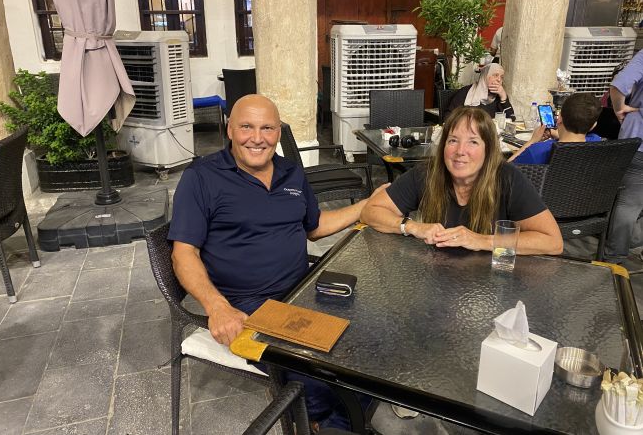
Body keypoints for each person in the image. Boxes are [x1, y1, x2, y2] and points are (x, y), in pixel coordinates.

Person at [168, 94, 380, 430]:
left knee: (380, 347)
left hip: (304, 290)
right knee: (315, 382)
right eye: (246, 127)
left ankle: (336, 425)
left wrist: (367, 205)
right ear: (229, 130)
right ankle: (336, 423)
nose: (257, 137)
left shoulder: (292, 174)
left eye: (267, 128)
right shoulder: (202, 179)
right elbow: (183, 254)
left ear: (278, 133)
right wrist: (217, 307)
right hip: (249, 305)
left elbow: (315, 227)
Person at [361, 106, 563, 255]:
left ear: (489, 150)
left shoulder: (507, 178)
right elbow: (371, 211)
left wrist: (481, 240)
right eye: (453, 140)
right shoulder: (427, 173)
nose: (460, 151)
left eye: (473, 142)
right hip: (437, 279)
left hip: (489, 286)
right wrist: (413, 227)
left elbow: (552, 242)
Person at [604, 51, 643, 266]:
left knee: (628, 204)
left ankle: (615, 258)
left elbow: (619, 84)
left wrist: (620, 108)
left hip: (638, 140)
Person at [508, 92, 602, 165]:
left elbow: (505, 171)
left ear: (559, 119)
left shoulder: (538, 151)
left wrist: (532, 141)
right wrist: (557, 134)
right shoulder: (597, 143)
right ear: (593, 126)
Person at [446, 63, 514, 122]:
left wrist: (504, 97)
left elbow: (511, 118)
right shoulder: (466, 92)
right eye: (495, 75)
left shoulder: (499, 96)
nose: (499, 80)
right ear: (485, 76)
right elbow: (448, 117)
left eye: (501, 77)